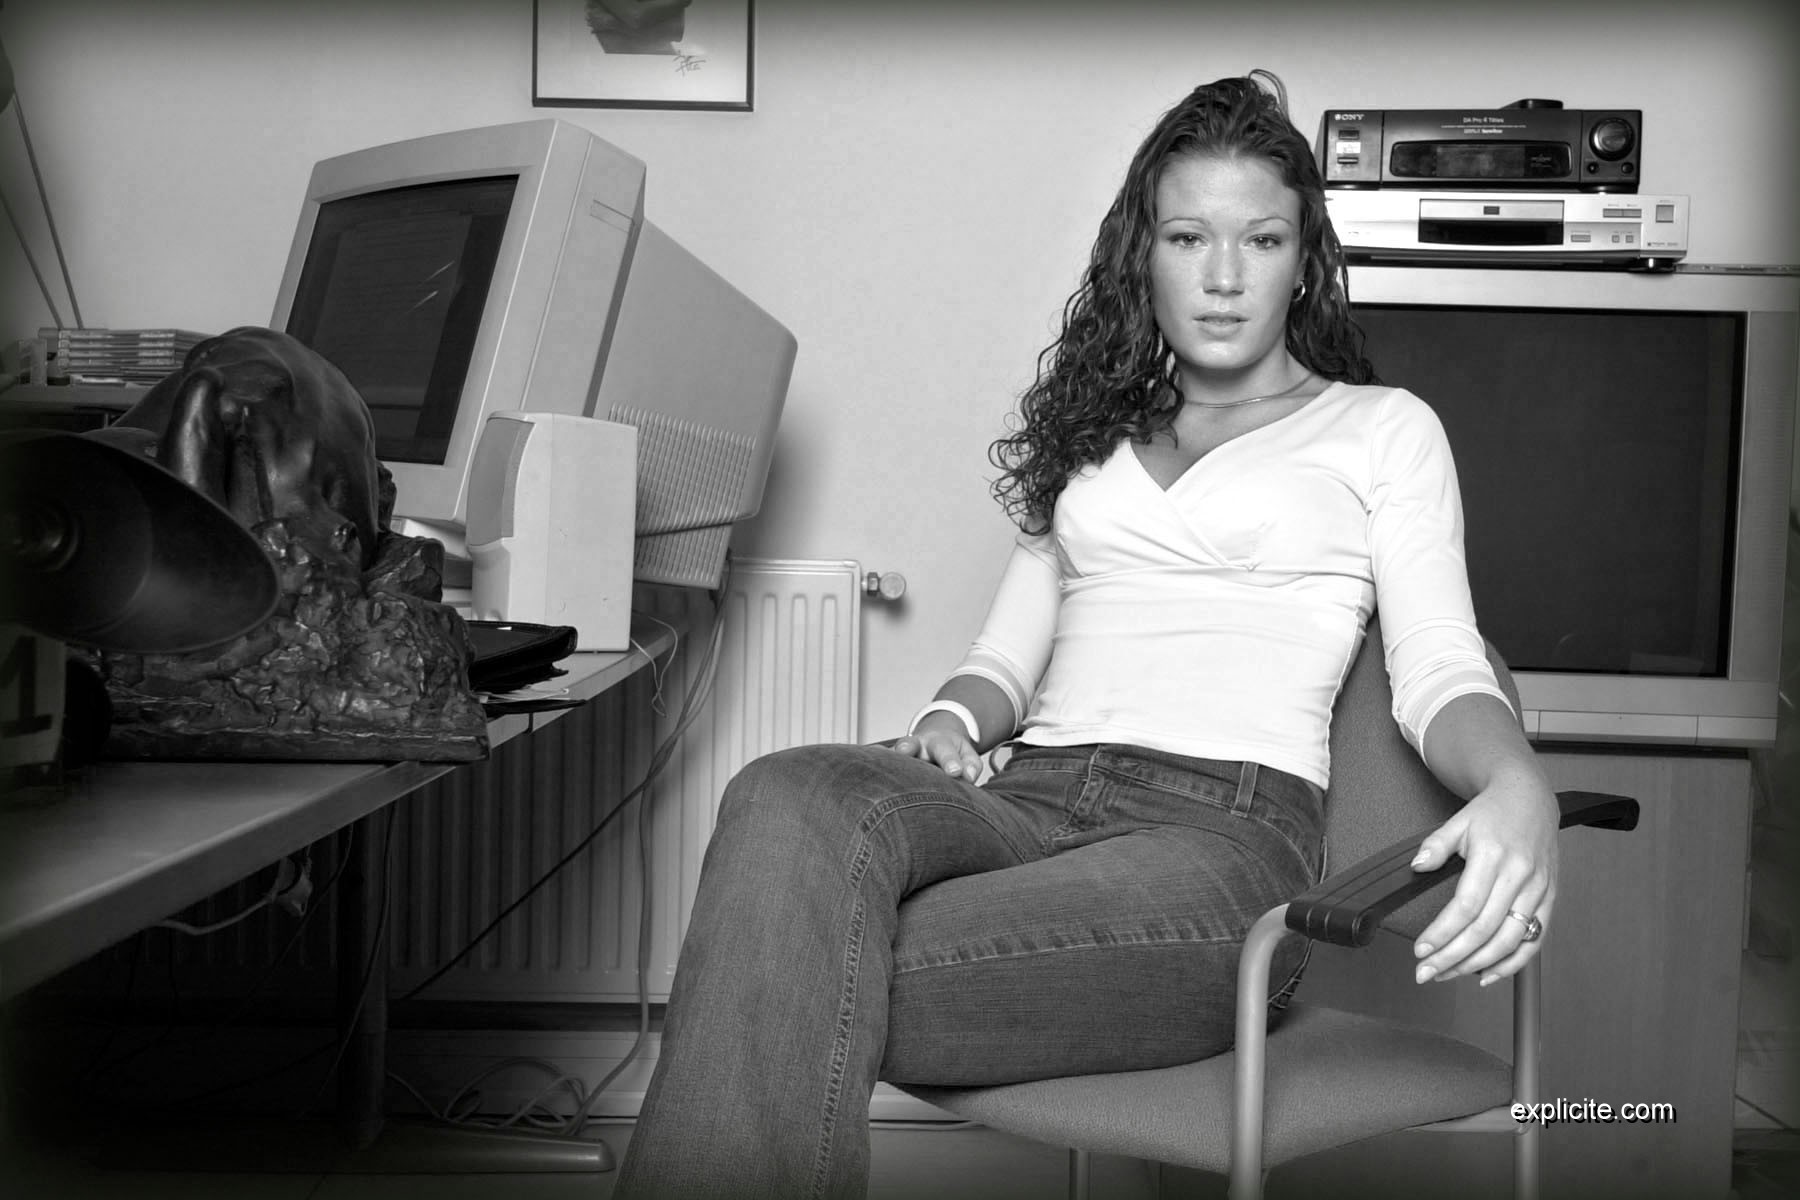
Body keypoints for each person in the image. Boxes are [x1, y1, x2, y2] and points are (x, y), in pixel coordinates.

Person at [615, 70, 1559, 1199]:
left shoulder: (1382, 430)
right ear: (1141, 255)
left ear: (1305, 260)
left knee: (784, 954)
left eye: (1260, 240)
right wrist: (948, 723)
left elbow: (1439, 664)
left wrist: (1519, 784)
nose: (1223, 277)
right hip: (1027, 797)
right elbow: (1000, 664)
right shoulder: (1092, 433)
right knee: (786, 794)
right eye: (1188, 237)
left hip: (1219, 843)